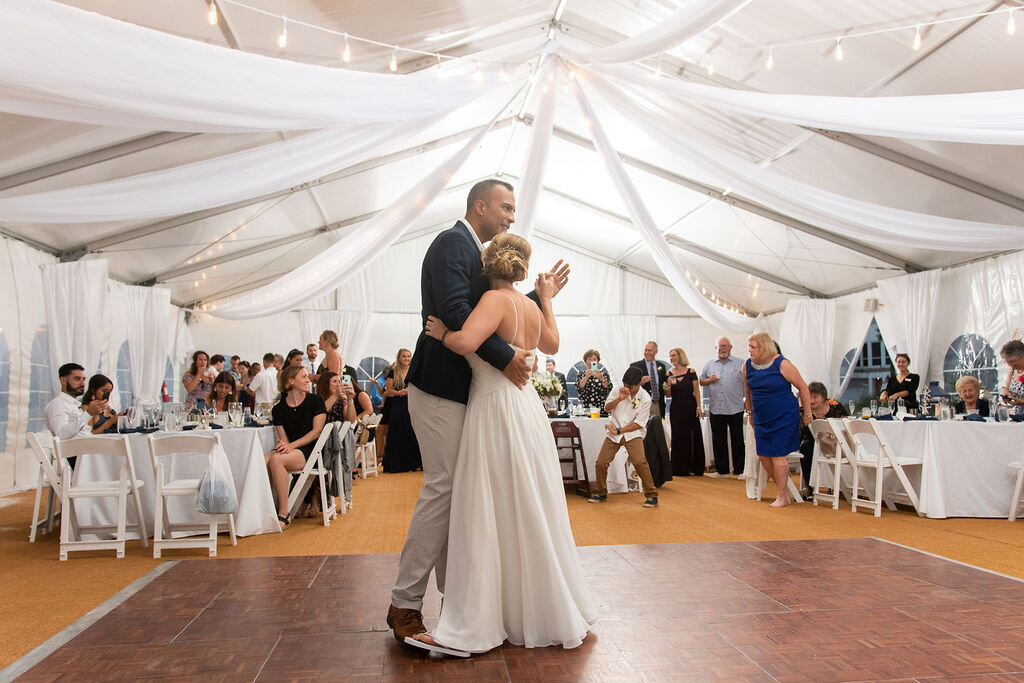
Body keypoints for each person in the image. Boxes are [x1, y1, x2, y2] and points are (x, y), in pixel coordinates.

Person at [387, 179, 570, 652]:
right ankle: (405, 603)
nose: (511, 216)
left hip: (469, 392)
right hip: (441, 388)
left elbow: (493, 307)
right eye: (507, 207)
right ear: (480, 205)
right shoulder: (452, 243)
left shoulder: (477, 257)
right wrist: (507, 356)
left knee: (463, 494)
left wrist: (535, 298)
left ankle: (460, 602)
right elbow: (455, 312)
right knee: (445, 489)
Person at [418, 230, 593, 654]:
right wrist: (547, 298)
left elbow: (465, 342)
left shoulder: (493, 301)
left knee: (490, 502)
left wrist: (439, 333)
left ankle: (491, 608)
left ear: (486, 267)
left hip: (494, 408)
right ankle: (539, 604)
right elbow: (552, 343)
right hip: (527, 408)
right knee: (530, 499)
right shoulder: (531, 307)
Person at [743, 332, 811, 508]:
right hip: (761, 416)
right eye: (749, 347)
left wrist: (807, 413)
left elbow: (803, 387)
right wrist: (750, 413)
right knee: (764, 456)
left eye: (753, 347)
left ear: (764, 347)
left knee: (778, 456)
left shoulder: (782, 364)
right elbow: (747, 392)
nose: (749, 350)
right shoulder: (747, 366)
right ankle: (784, 490)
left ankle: (782, 495)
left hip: (783, 416)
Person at [587, 366, 659, 507]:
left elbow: (639, 423)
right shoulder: (617, 390)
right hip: (614, 432)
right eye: (625, 385)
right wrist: (620, 398)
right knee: (601, 462)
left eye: (630, 387)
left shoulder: (645, 398)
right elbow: (607, 408)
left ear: (639, 384)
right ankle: (601, 493)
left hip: (632, 433)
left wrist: (619, 431)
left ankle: (652, 495)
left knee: (639, 462)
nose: (626, 388)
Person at [266, 366, 327, 530]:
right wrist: (283, 445)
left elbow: (316, 432)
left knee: (276, 459)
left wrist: (290, 446)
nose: (308, 380)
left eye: (307, 377)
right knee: (263, 460)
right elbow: (284, 439)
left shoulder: (316, 401)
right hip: (293, 451)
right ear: (291, 381)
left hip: (311, 451)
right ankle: (264, 509)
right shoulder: (278, 409)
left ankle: (284, 513)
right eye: (304, 377)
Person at [700, 337, 746, 477]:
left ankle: (740, 470)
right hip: (716, 408)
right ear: (716, 348)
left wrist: (747, 401)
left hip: (735, 407)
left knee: (737, 440)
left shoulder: (741, 363)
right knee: (718, 440)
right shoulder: (709, 364)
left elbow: (748, 383)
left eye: (725, 346)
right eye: (720, 346)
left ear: (731, 347)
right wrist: (710, 380)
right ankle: (722, 470)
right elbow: (701, 381)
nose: (723, 349)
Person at [797, 382, 848, 494]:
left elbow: (845, 422)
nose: (811, 401)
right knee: (805, 448)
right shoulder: (804, 411)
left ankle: (842, 486)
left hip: (833, 442)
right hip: (812, 441)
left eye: (815, 397)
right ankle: (809, 486)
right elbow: (801, 432)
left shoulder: (835, 406)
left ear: (824, 397)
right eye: (809, 397)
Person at [665, 347, 705, 476]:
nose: (671, 358)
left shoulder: (691, 371)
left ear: (680, 356)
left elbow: (696, 390)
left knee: (694, 436)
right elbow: (667, 394)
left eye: (674, 355)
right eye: (670, 356)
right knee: (678, 437)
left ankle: (696, 467)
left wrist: (699, 407)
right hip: (676, 408)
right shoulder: (668, 374)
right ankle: (679, 468)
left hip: (690, 407)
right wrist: (668, 385)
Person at [382, 348, 422, 473]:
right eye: (404, 356)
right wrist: (400, 393)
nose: (406, 358)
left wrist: (409, 392)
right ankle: (396, 464)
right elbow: (388, 390)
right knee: (397, 432)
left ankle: (413, 463)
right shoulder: (393, 372)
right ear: (399, 357)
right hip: (399, 404)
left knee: (412, 431)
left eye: (408, 356)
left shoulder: (414, 370)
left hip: (413, 403)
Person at [45, 363, 106, 441]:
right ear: (63, 380)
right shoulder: (57, 404)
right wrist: (88, 414)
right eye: (77, 379)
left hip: (89, 447)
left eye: (83, 379)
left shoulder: (75, 404)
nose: (83, 384)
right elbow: (61, 434)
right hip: (77, 451)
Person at [630, 341, 669, 417]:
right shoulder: (635, 366)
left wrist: (668, 385)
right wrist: (640, 382)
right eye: (645, 350)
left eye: (649, 350)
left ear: (656, 351)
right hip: (640, 404)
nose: (646, 352)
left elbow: (664, 385)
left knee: (657, 427)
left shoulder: (661, 366)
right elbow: (629, 386)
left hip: (657, 404)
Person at [1000, 339, 1024, 415]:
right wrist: (1007, 395)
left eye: (1013, 361)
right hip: (1019, 416)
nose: (1010, 364)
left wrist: (1022, 402)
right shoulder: (1013, 370)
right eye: (1007, 362)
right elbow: (1007, 389)